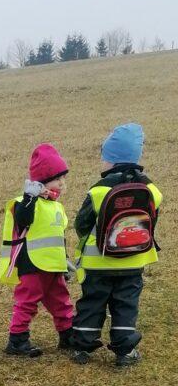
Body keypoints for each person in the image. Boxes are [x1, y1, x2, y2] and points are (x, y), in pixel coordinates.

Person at [70, 122, 164, 367]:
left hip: (98, 261)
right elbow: (153, 221)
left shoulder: (98, 190)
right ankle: (125, 351)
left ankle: (82, 347)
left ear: (111, 160)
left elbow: (81, 223)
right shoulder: (151, 189)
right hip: (134, 261)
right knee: (126, 304)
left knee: (92, 302)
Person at [0, 144, 75, 357]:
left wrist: (64, 260)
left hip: (53, 264)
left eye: (63, 179)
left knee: (61, 299)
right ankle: (17, 338)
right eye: (57, 179)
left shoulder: (56, 206)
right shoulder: (26, 202)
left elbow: (58, 237)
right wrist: (30, 196)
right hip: (31, 264)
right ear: (41, 181)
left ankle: (67, 334)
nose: (62, 183)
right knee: (27, 301)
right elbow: (23, 219)